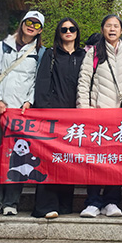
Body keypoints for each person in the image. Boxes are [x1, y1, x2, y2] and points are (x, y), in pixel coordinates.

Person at [0, 10, 44, 217]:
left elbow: (35, 81)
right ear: (22, 23)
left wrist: (29, 101)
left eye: (37, 25)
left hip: (19, 111)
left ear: (40, 30)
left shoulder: (39, 52)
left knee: (18, 154)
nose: (32, 27)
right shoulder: (1, 46)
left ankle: (11, 201)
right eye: (29, 22)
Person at [77, 14, 122, 218]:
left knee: (117, 160)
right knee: (95, 160)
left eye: (116, 26)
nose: (112, 29)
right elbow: (84, 81)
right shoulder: (94, 53)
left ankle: (112, 201)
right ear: (102, 29)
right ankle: (93, 202)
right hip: (98, 115)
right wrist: (84, 109)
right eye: (108, 26)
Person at [31, 17, 86, 219]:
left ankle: (64, 204)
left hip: (76, 116)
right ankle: (45, 206)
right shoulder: (50, 54)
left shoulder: (84, 55)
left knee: (68, 160)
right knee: (49, 158)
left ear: (77, 32)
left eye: (72, 28)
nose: (68, 32)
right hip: (53, 115)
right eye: (64, 29)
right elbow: (42, 82)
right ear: (58, 33)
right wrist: (44, 110)